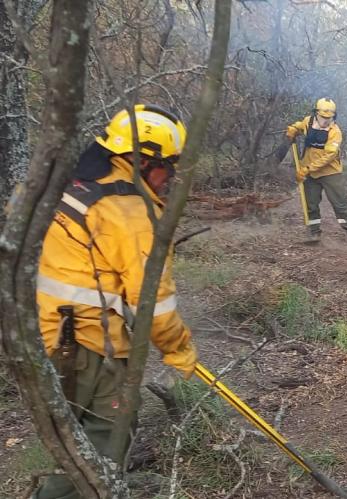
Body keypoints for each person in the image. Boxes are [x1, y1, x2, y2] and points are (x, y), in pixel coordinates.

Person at [34, 105, 198, 498]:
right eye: (168, 166)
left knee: (66, 437)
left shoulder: (67, 181)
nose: (170, 178)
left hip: (40, 333)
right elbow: (153, 304)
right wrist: (179, 350)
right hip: (86, 344)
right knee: (99, 448)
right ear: (142, 160)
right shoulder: (127, 210)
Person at [286, 98, 347, 245]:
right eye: (323, 117)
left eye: (329, 118)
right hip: (309, 172)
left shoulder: (335, 132)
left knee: (340, 203)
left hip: (329, 172)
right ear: (316, 114)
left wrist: (307, 168)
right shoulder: (308, 121)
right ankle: (314, 233)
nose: (326, 120)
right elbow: (300, 126)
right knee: (311, 203)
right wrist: (294, 128)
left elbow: (328, 156)